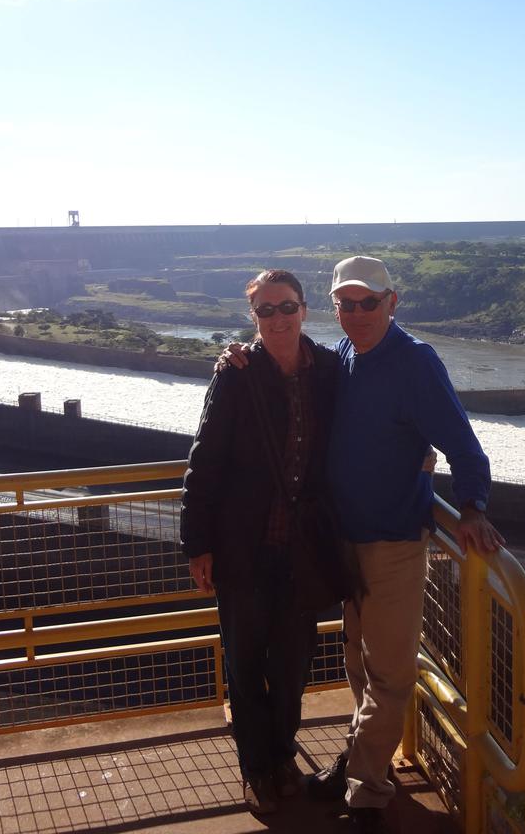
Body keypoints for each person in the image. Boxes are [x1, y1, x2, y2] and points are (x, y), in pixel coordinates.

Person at [219, 255, 502, 834]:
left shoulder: (416, 362)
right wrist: (236, 352)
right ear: (332, 309)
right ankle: (359, 759)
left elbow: (463, 445)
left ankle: (367, 789)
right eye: (345, 303)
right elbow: (286, 363)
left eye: (368, 302)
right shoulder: (343, 355)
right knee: (358, 662)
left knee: (391, 673)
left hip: (393, 541)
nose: (357, 312)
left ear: (391, 302)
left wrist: (473, 506)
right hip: (341, 541)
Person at [179, 269, 350, 815]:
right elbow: (205, 462)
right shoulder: (236, 374)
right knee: (246, 665)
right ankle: (258, 767)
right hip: (242, 551)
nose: (278, 319)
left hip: (301, 553)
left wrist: (418, 453)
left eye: (287, 307)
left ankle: (280, 755)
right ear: (253, 318)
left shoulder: (329, 368)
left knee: (293, 667)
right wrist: (197, 545)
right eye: (266, 310)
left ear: (305, 310)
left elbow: (370, 418)